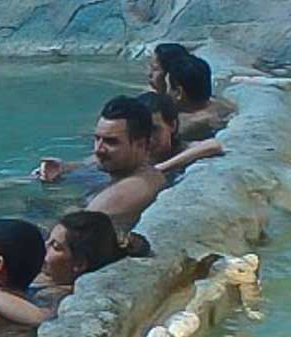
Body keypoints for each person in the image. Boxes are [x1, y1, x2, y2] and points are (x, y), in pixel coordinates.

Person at [0, 211, 148, 326]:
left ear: (78, 264)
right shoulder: (46, 278)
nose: (44, 248)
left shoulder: (65, 296)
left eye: (55, 246)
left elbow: (40, 318)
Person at [38, 96, 164, 230]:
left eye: (111, 142)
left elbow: (71, 234)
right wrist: (64, 169)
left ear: (141, 144)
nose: (98, 149)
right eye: (97, 139)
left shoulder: (124, 192)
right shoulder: (133, 171)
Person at [138, 91, 223, 175]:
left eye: (154, 129)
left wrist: (160, 168)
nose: (147, 137)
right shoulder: (136, 156)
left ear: (172, 125)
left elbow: (213, 146)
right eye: (140, 129)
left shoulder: (182, 149)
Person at [167, 53, 234, 139]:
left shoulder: (181, 127)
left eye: (168, 86)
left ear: (179, 92)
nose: (167, 92)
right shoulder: (226, 106)